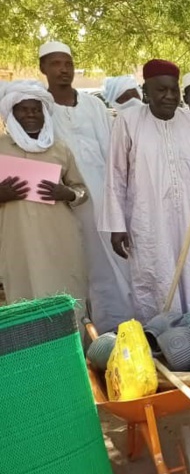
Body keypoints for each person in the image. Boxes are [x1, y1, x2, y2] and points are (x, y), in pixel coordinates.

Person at [102, 59, 190, 320]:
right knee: (153, 276)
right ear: (146, 91)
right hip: (147, 219)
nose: (169, 97)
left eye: (173, 90)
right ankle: (160, 340)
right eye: (161, 90)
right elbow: (116, 175)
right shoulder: (128, 122)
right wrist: (116, 225)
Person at [40, 41, 133, 331]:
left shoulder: (93, 105)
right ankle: (82, 338)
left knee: (114, 266)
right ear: (43, 67)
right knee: (76, 266)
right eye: (55, 63)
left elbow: (112, 152)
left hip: (104, 197)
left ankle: (118, 331)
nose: (63, 69)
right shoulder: (40, 108)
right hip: (64, 200)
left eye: (67, 63)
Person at [0, 80, 88, 307]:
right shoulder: (1, 147)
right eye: (24, 109)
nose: (31, 114)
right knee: (24, 299)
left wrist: (66, 193)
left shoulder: (60, 148)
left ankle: (76, 343)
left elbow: (82, 191)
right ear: (12, 113)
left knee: (66, 295)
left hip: (60, 240)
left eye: (36, 109)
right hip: (18, 243)